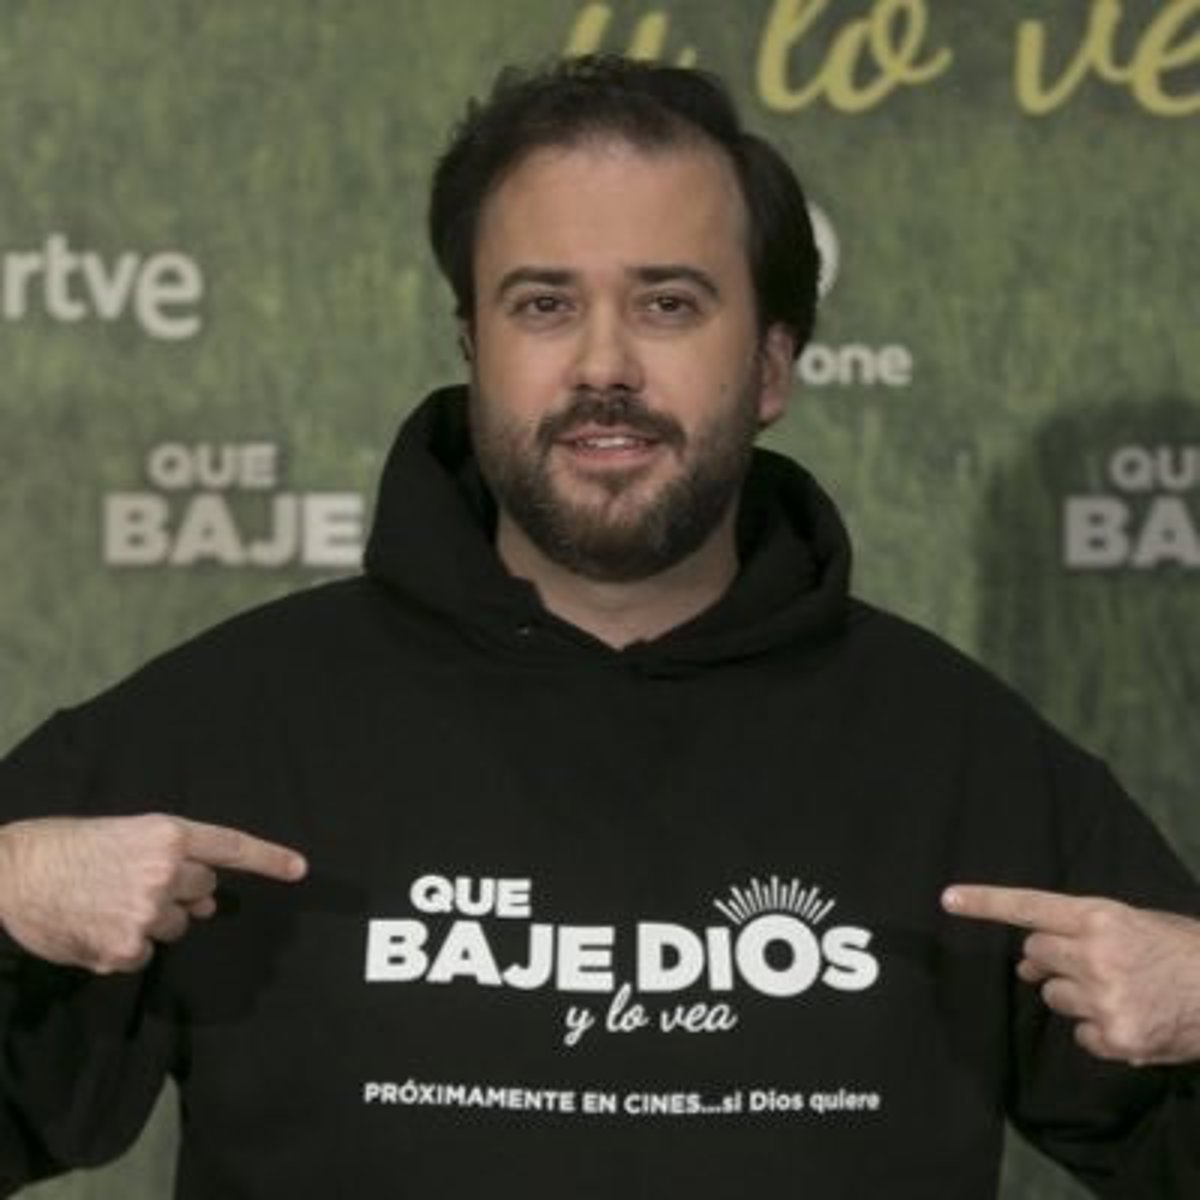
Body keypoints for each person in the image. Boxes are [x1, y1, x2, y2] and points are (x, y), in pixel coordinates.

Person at [0, 54, 1197, 1198]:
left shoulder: (965, 762)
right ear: (474, 349)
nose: (603, 364)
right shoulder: (232, 723)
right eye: (544, 304)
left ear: (771, 367)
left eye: (669, 303)